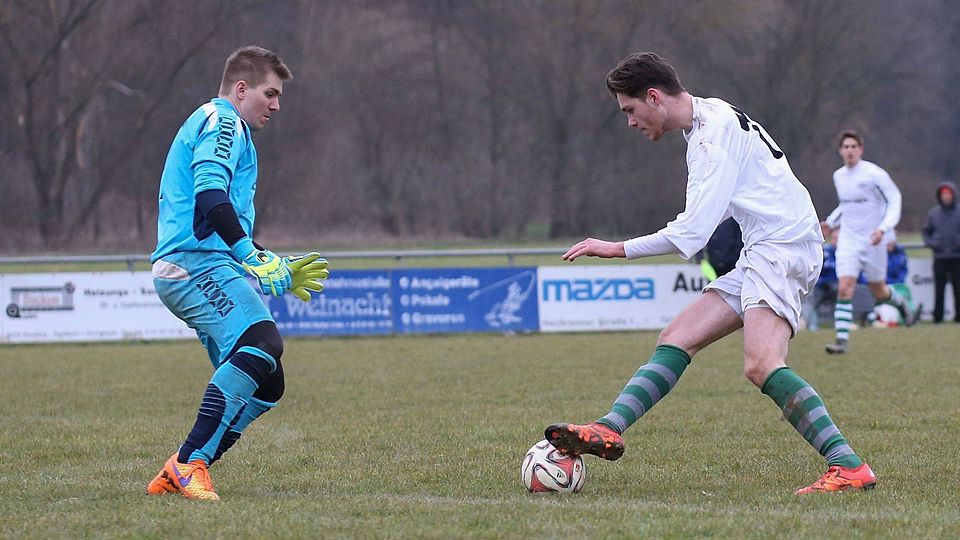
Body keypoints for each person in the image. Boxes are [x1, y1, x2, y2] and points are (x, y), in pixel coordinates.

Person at [544, 52, 875, 495]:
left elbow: (691, 233)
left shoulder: (708, 142)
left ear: (654, 97)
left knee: (762, 364)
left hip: (782, 247)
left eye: (629, 110)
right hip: (768, 246)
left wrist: (617, 249)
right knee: (677, 337)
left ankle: (848, 465)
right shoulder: (710, 114)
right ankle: (609, 427)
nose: (630, 122)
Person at [145, 46, 329, 501]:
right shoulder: (224, 119)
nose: (276, 104)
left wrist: (269, 259)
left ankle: (181, 469)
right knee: (262, 343)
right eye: (270, 93)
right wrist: (250, 254)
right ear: (241, 88)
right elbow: (209, 194)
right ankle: (190, 462)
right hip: (192, 265)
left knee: (269, 382)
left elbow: (216, 216)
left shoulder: (226, 128)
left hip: (203, 261)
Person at [820, 131, 913, 354]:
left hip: (873, 239)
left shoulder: (874, 174)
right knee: (845, 287)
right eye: (846, 146)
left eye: (854, 146)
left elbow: (894, 200)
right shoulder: (839, 176)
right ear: (840, 150)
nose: (850, 150)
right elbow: (847, 206)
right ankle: (841, 341)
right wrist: (831, 223)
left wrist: (883, 228)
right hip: (849, 240)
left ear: (861, 149)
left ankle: (900, 304)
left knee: (878, 290)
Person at [922, 181, 960, 323]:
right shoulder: (933, 213)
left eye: (948, 194)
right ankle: (938, 317)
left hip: (957, 258)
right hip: (940, 258)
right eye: (944, 194)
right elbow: (926, 231)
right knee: (939, 290)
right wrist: (933, 244)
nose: (946, 197)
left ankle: (958, 318)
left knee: (958, 289)